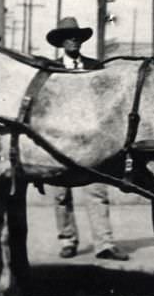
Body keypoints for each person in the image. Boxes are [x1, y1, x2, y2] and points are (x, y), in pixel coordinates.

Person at [47, 16, 129, 261]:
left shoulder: (96, 67)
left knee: (96, 189)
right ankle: (68, 240)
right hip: (59, 139)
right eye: (68, 37)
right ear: (62, 42)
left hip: (91, 139)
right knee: (61, 193)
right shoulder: (50, 69)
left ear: (81, 41)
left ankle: (104, 243)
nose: (73, 40)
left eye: (76, 36)